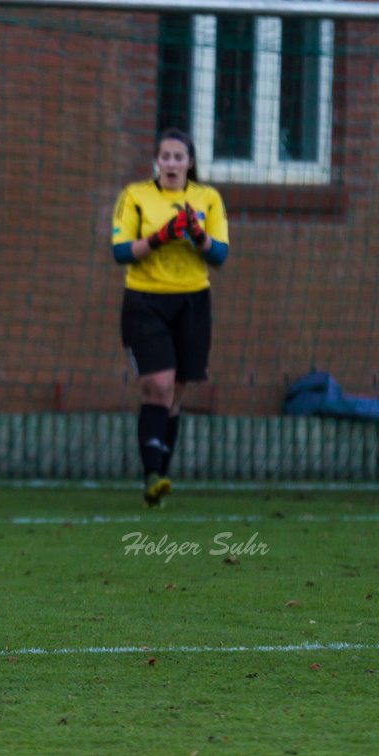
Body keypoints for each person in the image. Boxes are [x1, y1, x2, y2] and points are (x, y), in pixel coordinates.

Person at [110, 129, 229, 507]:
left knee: (175, 394)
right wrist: (160, 238)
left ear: (190, 162)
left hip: (193, 302)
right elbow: (120, 250)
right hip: (145, 301)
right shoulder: (136, 196)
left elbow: (220, 255)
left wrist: (196, 234)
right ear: (157, 161)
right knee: (158, 386)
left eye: (180, 157)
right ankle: (151, 475)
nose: (172, 163)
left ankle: (160, 475)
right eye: (166, 156)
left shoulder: (207, 199)